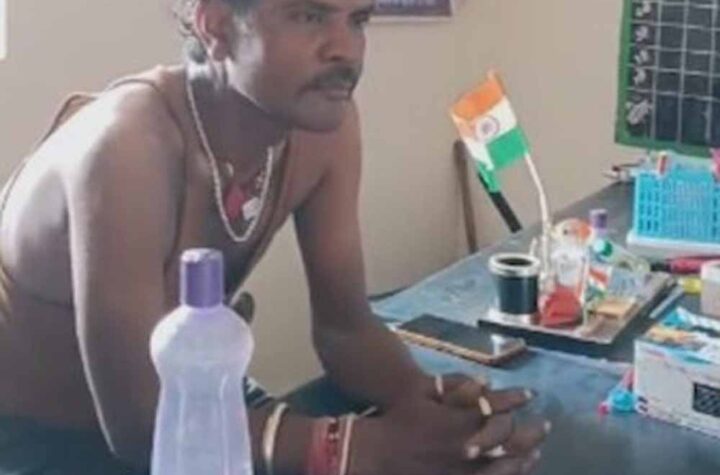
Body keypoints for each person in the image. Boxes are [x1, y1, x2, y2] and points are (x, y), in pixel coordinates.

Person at [0, 0, 549, 473]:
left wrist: (426, 404)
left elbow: (345, 329)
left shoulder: (323, 127)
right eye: (309, 15)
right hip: (40, 437)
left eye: (357, 19)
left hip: (191, 398)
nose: (346, 50)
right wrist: (367, 449)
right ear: (216, 24)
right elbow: (141, 426)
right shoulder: (125, 148)